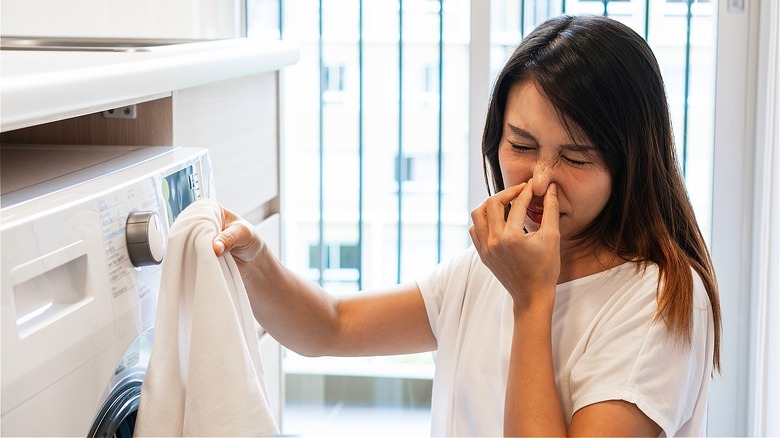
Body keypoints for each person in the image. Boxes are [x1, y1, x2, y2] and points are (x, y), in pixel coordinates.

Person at [211, 14, 721, 437]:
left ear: (630, 163)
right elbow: (331, 326)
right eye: (521, 146)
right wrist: (255, 259)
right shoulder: (490, 269)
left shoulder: (661, 298)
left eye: (576, 158)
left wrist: (531, 300)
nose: (540, 181)